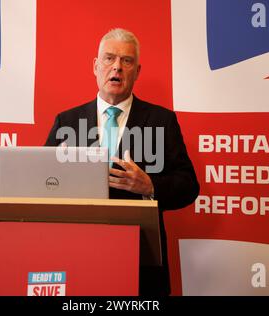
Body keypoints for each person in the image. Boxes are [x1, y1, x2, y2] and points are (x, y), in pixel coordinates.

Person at [45, 28, 199, 295]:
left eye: (126, 61)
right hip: (76, 252)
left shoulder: (162, 121)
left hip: (141, 258)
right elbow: (41, 184)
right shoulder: (67, 122)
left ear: (137, 71)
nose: (116, 67)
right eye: (109, 58)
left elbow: (188, 185)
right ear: (95, 66)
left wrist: (150, 185)